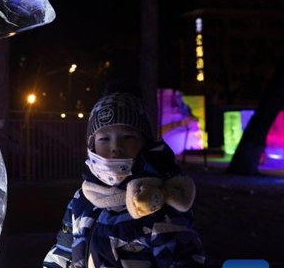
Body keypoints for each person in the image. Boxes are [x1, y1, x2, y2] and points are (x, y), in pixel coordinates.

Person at [43, 91, 206, 268]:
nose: (115, 147)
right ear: (91, 146)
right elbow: (63, 253)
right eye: (104, 138)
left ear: (145, 143)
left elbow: (182, 260)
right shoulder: (82, 199)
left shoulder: (157, 202)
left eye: (127, 137)